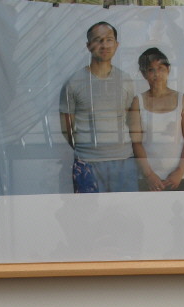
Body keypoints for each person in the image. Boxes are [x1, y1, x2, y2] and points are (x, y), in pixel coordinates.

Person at [59, 22, 139, 193]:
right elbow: (67, 129)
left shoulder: (125, 80)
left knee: (125, 209)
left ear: (116, 45)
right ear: (88, 46)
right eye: (98, 40)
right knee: (89, 210)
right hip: (87, 162)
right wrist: (88, 149)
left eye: (109, 40)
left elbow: (130, 120)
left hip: (124, 161)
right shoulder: (74, 83)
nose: (104, 45)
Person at [130, 47, 184, 191]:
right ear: (144, 74)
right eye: (151, 70)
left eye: (161, 68)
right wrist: (149, 175)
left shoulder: (183, 100)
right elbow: (136, 143)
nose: (157, 74)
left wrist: (179, 172)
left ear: (168, 69)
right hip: (149, 178)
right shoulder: (137, 101)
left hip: (180, 176)